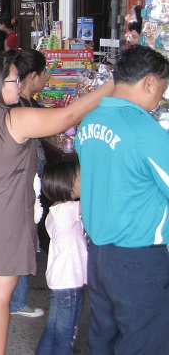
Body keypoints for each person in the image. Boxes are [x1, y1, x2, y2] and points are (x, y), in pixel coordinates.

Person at [0, 54, 113, 355]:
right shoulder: (14, 119)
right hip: (2, 219)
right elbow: (68, 116)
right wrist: (114, 85)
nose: (19, 84)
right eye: (14, 79)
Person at [75, 45, 169, 354]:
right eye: (162, 90)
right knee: (143, 340)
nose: (159, 100)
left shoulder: (91, 121)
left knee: (103, 336)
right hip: (138, 258)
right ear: (150, 83)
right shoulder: (145, 130)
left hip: (100, 253)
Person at [7, 48, 49, 318]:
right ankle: (15, 302)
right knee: (20, 240)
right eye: (44, 74)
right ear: (33, 76)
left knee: (18, 240)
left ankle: (7, 300)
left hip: (19, 184)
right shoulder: (20, 108)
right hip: (23, 184)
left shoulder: (23, 105)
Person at [35, 160, 86, 355]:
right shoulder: (69, 211)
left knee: (52, 328)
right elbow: (95, 200)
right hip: (70, 283)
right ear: (68, 186)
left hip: (58, 282)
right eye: (81, 178)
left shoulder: (54, 211)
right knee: (66, 334)